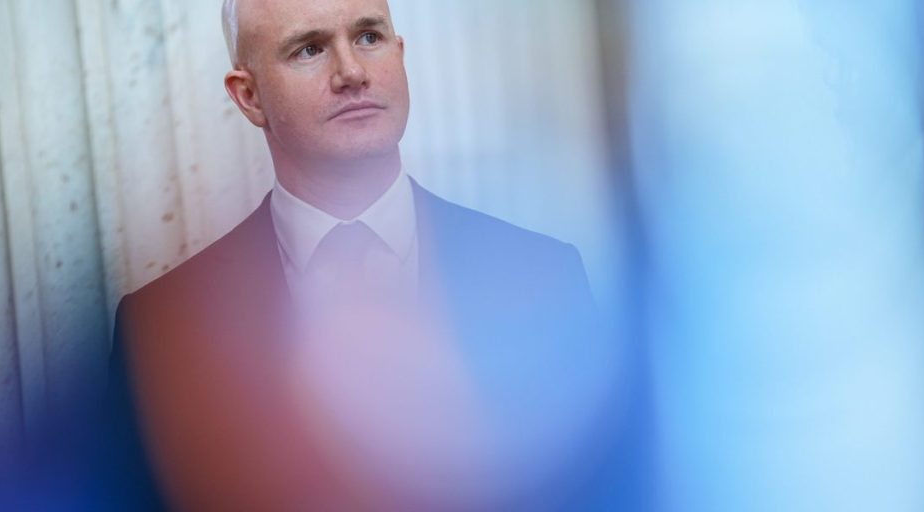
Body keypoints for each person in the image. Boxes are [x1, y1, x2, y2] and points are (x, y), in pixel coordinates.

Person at [106, 0, 619, 509]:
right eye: (309, 49)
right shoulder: (157, 331)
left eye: (369, 37)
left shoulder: (543, 275)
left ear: (400, 54)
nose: (352, 72)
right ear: (249, 95)